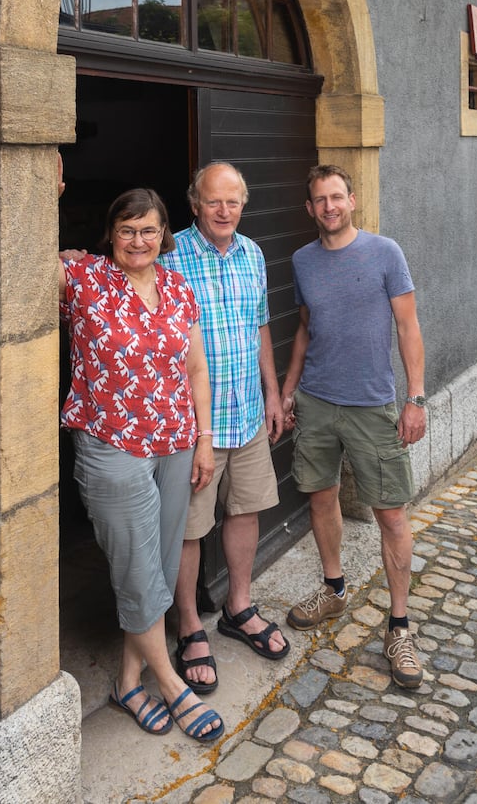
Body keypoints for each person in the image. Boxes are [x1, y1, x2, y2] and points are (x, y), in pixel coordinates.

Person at [59, 186, 224, 743]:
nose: (138, 240)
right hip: (111, 446)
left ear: (164, 235)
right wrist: (46, 194)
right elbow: (15, 260)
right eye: (127, 229)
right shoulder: (84, 280)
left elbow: (196, 369)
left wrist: (204, 440)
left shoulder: (178, 287)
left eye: (148, 229)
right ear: (111, 233)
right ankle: (170, 682)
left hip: (176, 443)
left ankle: (128, 682)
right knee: (134, 567)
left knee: (156, 560)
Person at [281, 164, 427, 690]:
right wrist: (287, 388)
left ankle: (400, 627)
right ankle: (334, 588)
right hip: (317, 402)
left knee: (391, 515)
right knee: (320, 499)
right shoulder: (302, 260)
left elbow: (408, 327)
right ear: (310, 208)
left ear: (352, 200)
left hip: (372, 406)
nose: (329, 207)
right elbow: (304, 330)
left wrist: (415, 398)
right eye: (319, 200)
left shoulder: (385, 253)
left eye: (337, 197)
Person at [163, 162, 289, 691]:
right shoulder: (169, 255)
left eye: (233, 202)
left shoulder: (253, 255)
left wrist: (274, 390)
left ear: (243, 204)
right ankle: (189, 624)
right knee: (190, 528)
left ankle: (238, 607)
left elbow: (260, 325)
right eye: (213, 201)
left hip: (248, 414)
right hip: (196, 426)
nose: (223, 211)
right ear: (194, 203)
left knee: (246, 510)